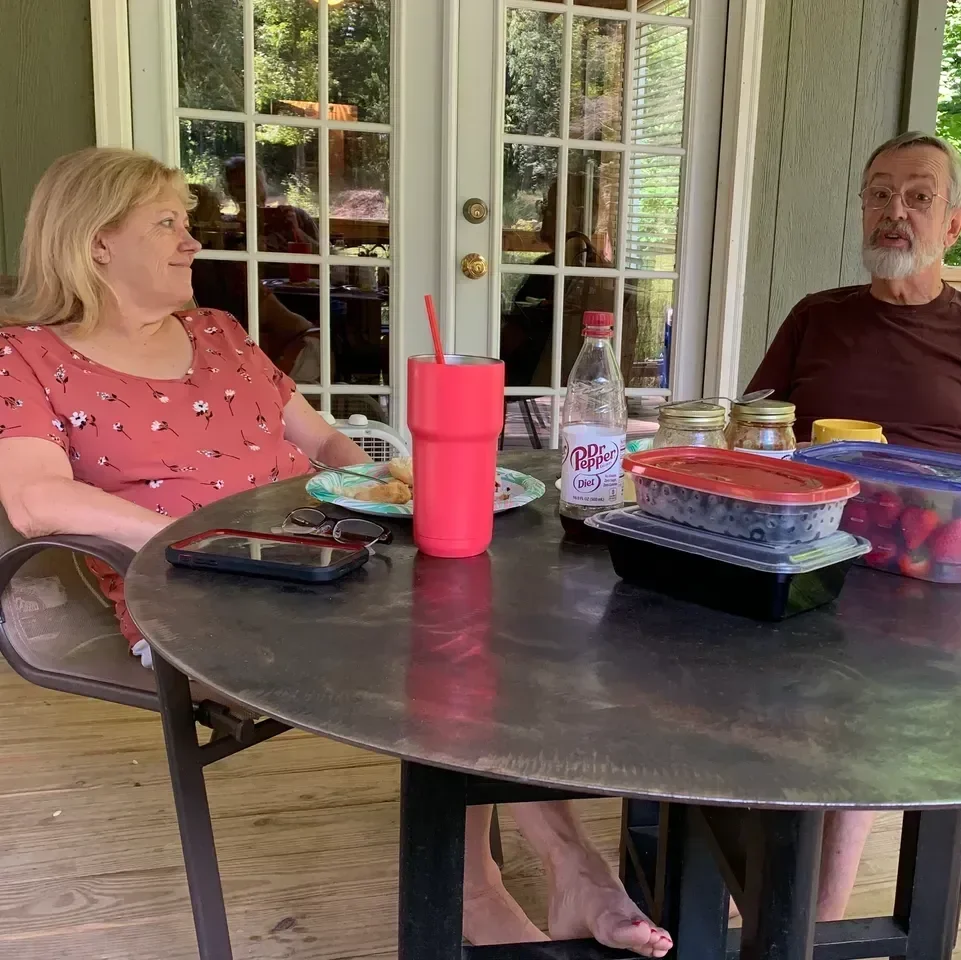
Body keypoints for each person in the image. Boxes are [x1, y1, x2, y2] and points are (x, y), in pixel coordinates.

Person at [0, 147, 671, 956]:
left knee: (501, 615)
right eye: (168, 223)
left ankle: (569, 872)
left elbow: (323, 441)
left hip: (340, 561)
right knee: (454, 652)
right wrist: (192, 539)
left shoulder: (216, 333)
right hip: (205, 594)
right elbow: (36, 500)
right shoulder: (29, 356)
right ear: (96, 241)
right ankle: (496, 892)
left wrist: (405, 489)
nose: (193, 241)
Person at [745, 131, 961, 921]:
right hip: (810, 550)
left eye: (919, 196)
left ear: (953, 224)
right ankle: (708, 847)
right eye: (879, 194)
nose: (895, 212)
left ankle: (812, 913)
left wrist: (960, 522)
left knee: (863, 695)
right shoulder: (816, 317)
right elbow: (750, 430)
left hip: (928, 573)